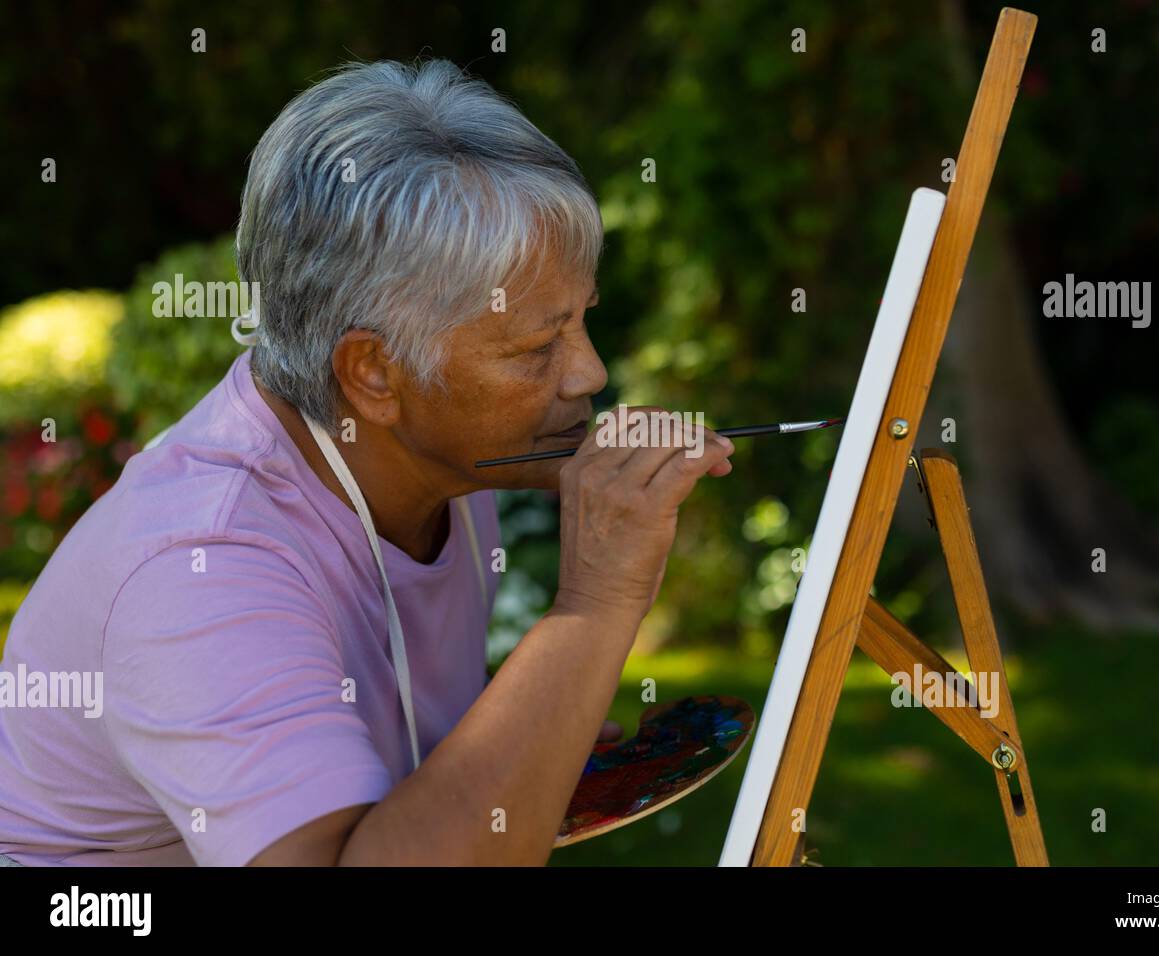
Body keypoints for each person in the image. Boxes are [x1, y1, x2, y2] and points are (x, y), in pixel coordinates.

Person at [0, 59, 733, 866]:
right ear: (373, 373)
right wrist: (596, 602)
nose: (589, 374)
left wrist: (532, 732)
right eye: (537, 345)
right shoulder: (200, 571)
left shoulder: (436, 461)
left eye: (581, 320)